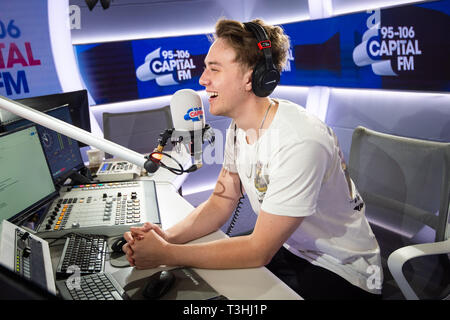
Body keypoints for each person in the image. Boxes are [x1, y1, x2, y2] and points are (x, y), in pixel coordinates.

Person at [123, 18, 383, 300]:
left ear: (252, 77)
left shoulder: (300, 141)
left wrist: (167, 254)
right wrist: (166, 237)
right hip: (291, 250)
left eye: (214, 69)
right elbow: (221, 202)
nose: (202, 80)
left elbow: (259, 250)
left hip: (343, 273)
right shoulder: (239, 128)